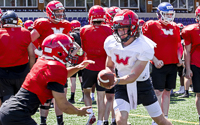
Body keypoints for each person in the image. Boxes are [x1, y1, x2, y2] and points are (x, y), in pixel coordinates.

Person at [0, 33, 94, 125]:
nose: (72, 53)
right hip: (17, 114)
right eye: (70, 50)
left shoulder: (43, 61)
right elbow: (64, 106)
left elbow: (61, 73)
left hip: (9, 109)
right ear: (59, 51)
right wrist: (78, 112)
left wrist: (78, 67)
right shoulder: (55, 68)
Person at [104, 9, 172, 125]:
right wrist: (107, 75)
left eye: (123, 28)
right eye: (118, 29)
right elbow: (109, 65)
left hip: (142, 85)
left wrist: (116, 80)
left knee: (160, 120)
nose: (120, 32)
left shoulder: (144, 45)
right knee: (120, 120)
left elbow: (134, 76)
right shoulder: (111, 42)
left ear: (133, 28)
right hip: (122, 86)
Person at [30, 1, 79, 125]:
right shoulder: (42, 23)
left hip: (59, 65)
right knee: (45, 96)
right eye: (57, 11)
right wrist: (38, 52)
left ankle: (60, 122)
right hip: (46, 64)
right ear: (49, 12)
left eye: (61, 11)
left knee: (59, 95)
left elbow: (70, 44)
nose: (60, 14)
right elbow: (28, 40)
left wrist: (69, 56)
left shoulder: (66, 25)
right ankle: (43, 122)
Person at [142, 2, 182, 124]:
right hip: (158, 63)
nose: (169, 17)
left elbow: (178, 45)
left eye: (170, 14)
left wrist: (180, 58)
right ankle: (157, 118)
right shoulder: (151, 25)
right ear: (159, 14)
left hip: (172, 63)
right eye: (166, 14)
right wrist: (154, 59)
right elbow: (146, 45)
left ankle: (165, 116)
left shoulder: (174, 26)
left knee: (167, 92)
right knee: (157, 91)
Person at [80, 5, 113, 125]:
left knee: (86, 92)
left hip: (89, 65)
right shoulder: (109, 29)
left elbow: (83, 48)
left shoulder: (84, 29)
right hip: (103, 66)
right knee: (101, 96)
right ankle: (100, 121)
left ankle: (90, 113)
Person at [0, 10, 35, 106]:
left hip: (3, 73)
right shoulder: (25, 32)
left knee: (6, 101)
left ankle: (4, 120)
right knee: (21, 100)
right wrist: (31, 70)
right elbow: (31, 54)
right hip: (22, 71)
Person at [181, 6, 200, 123]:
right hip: (196, 64)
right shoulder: (191, 30)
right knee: (199, 94)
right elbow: (187, 51)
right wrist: (187, 69)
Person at [68, 20, 85, 104]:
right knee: (82, 79)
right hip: (82, 59)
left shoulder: (72, 35)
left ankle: (72, 97)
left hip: (74, 59)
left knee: (73, 80)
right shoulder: (83, 34)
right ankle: (84, 96)